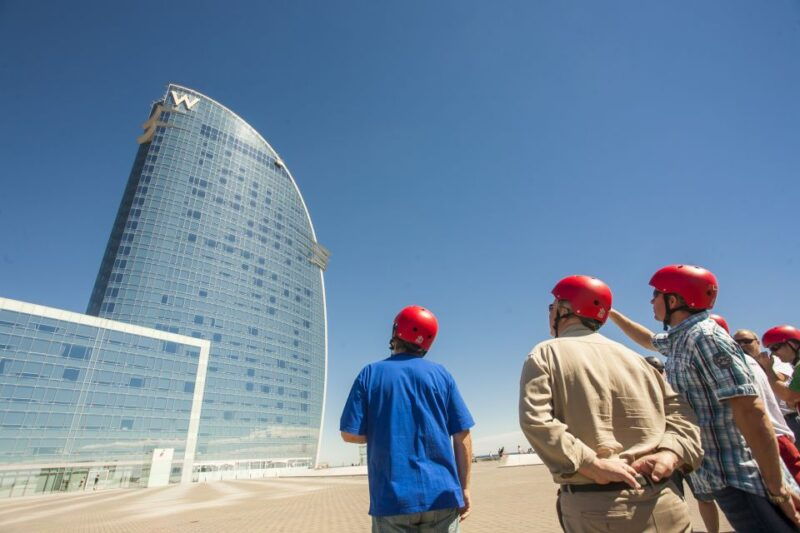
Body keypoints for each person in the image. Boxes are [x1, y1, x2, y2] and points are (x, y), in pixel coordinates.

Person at [609, 264, 800, 531]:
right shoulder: (683, 337)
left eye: (656, 295)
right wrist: (612, 314)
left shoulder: (706, 338)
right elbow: (649, 339)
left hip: (743, 477)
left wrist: (777, 486)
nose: (651, 301)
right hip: (722, 476)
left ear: (673, 300)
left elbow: (751, 411)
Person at [519, 275, 702, 533]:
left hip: (598, 509)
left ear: (565, 310)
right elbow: (682, 414)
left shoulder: (545, 353)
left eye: (552, 308)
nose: (550, 314)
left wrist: (590, 464)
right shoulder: (637, 359)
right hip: (666, 501)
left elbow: (536, 420)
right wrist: (670, 453)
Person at [340, 305, 474, 532]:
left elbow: (349, 434)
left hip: (392, 500)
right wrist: (465, 489)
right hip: (443, 496)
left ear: (396, 332)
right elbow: (463, 437)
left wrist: (384, 431)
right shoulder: (442, 375)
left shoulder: (370, 374)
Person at [732, 328, 800, 485]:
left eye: (776, 348)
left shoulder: (777, 364)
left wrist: (767, 368)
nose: (775, 353)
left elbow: (788, 395)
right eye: (737, 342)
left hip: (787, 422)